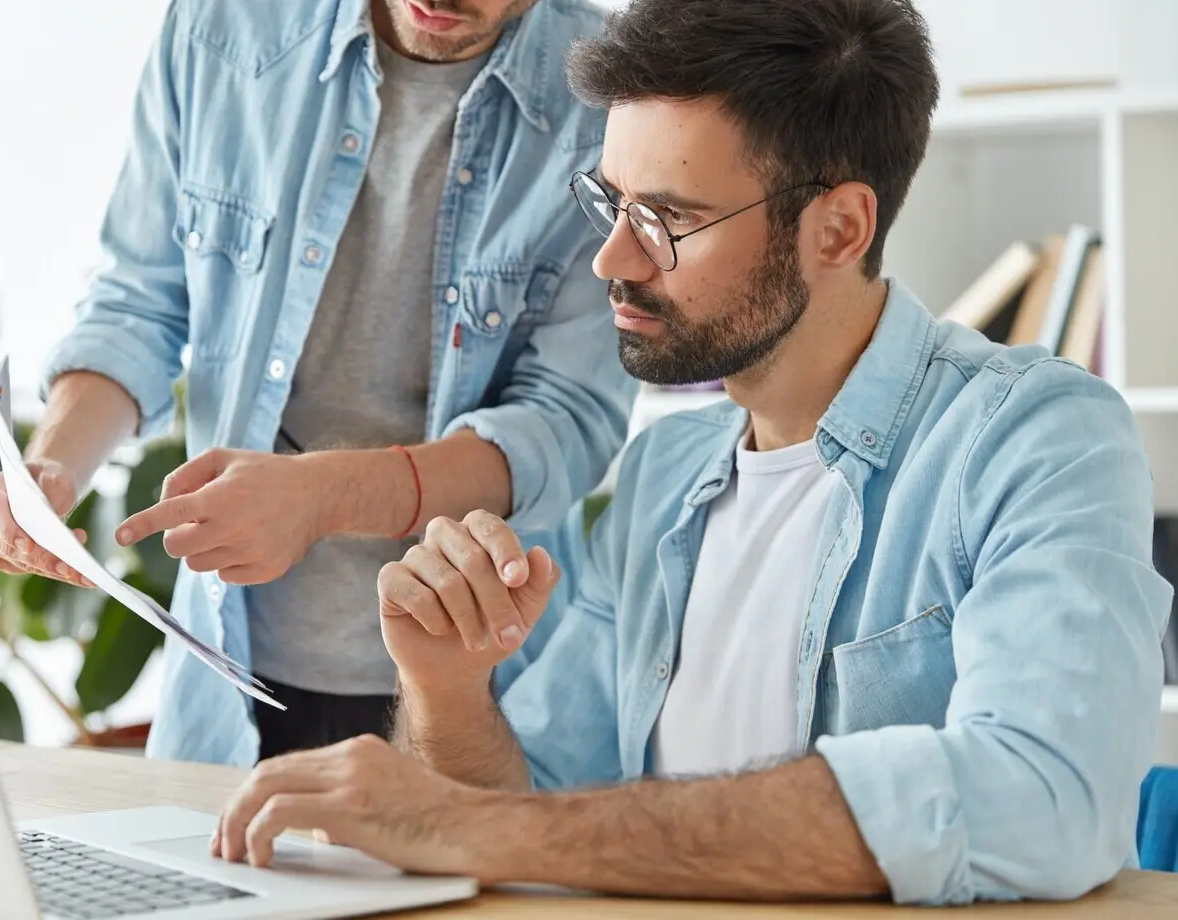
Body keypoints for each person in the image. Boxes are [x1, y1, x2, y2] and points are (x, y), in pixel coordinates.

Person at [207, 0, 1175, 905]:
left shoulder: (1036, 435)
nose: (611, 261)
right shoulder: (665, 471)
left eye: (667, 219)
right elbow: (532, 800)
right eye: (610, 201)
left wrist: (486, 822)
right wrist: (447, 686)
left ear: (838, 227)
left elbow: (1045, 794)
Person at [0, 0, 634, 766]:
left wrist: (323, 497)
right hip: (223, 678)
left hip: (473, 694)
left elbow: (565, 423)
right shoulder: (224, 27)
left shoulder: (610, 99)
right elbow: (139, 301)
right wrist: (53, 464)